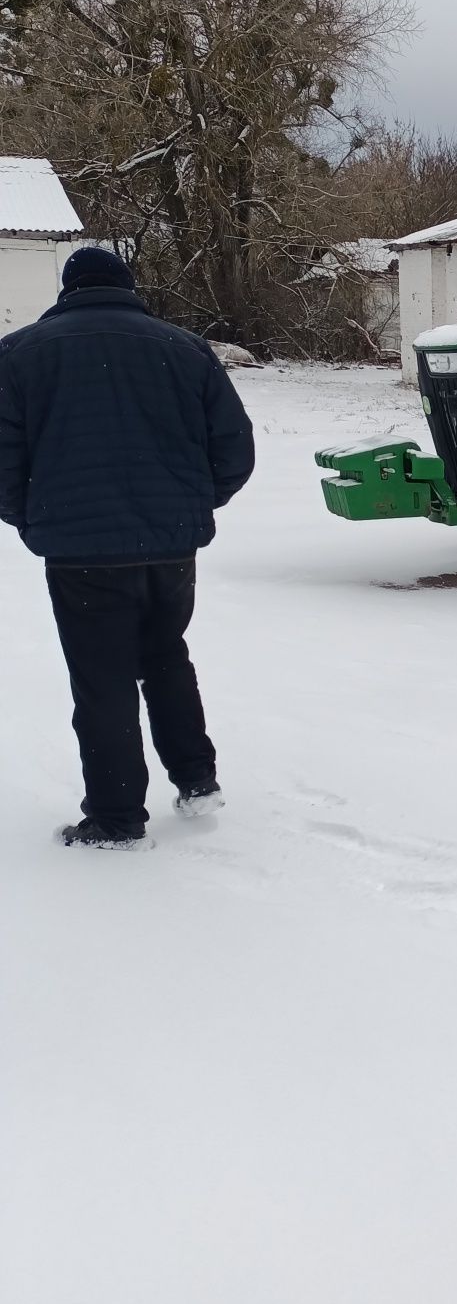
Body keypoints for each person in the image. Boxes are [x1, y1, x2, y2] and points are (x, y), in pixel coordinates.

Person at [0, 245, 255, 851]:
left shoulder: (18, 356)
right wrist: (187, 506)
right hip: (169, 547)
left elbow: (3, 462)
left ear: (68, 290)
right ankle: (196, 779)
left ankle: (116, 820)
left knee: (102, 680)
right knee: (165, 655)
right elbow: (235, 452)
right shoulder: (185, 349)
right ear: (127, 286)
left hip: (79, 550)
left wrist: (33, 518)